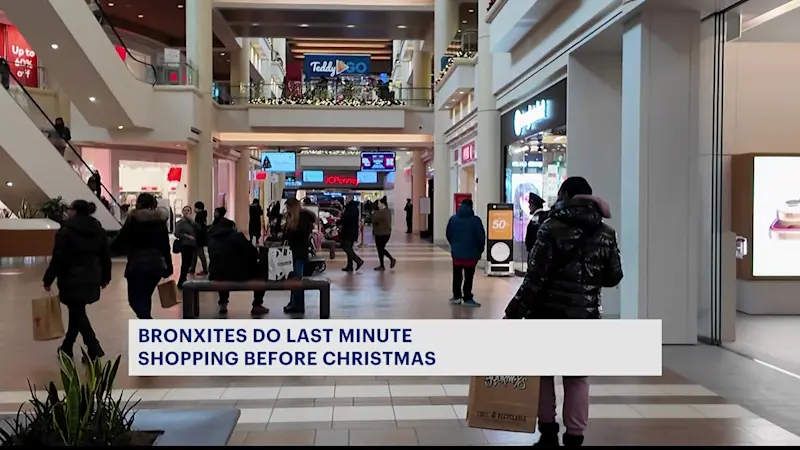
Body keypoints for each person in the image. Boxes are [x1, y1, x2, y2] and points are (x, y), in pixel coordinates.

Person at [505, 176, 623, 447]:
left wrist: (514, 313)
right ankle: (575, 437)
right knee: (577, 378)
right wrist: (588, 281)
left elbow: (535, 278)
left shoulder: (551, 227)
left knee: (544, 375)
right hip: (584, 317)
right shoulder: (606, 233)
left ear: (566, 195)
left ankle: (547, 435)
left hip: (546, 313)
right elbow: (614, 276)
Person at [43, 200, 110, 362]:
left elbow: (59, 258)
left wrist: (48, 279)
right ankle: (67, 347)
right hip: (92, 276)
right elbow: (105, 255)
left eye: (69, 209)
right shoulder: (98, 230)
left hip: (70, 278)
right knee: (77, 311)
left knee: (77, 312)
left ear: (74, 211)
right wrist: (106, 276)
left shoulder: (66, 232)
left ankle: (94, 347)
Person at [110, 193, 172, 319]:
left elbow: (120, 240)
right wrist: (169, 266)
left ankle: (147, 320)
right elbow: (165, 246)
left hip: (137, 265)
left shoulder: (133, 220)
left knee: (134, 300)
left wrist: (107, 250)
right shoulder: (160, 221)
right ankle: (146, 324)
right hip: (156, 265)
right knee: (145, 297)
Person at [207, 217, 269, 316]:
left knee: (222, 269)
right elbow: (252, 253)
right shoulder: (237, 236)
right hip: (237, 274)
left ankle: (223, 302)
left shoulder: (212, 238)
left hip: (215, 274)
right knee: (261, 273)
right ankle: (257, 304)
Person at [446, 199, 485, 307]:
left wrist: (454, 245)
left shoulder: (453, 219)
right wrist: (480, 250)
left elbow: (448, 234)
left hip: (457, 253)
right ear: (471, 207)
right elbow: (481, 237)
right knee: (469, 276)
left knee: (457, 275)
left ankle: (456, 296)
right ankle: (467, 297)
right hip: (471, 254)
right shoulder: (475, 220)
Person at [282, 198, 316, 314]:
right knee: (293, 279)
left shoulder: (302, 218)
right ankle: (293, 302)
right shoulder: (293, 218)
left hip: (299, 253)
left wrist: (290, 234)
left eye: (288, 208)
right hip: (293, 252)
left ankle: (298, 305)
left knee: (297, 279)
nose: (287, 210)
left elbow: (301, 234)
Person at [174, 206, 198, 289]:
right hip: (185, 244)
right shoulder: (180, 223)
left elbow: (199, 230)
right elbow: (176, 233)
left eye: (188, 210)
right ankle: (181, 281)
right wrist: (186, 236)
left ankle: (183, 279)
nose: (186, 212)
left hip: (193, 244)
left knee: (189, 262)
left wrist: (192, 221)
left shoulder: (192, 223)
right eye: (185, 210)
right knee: (185, 262)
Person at [371, 196, 396, 270]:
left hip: (381, 233)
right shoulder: (387, 211)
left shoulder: (381, 212)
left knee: (380, 248)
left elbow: (373, 219)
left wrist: (373, 213)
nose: (378, 205)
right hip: (385, 233)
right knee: (380, 249)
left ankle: (391, 259)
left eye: (379, 203)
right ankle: (382, 265)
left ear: (382, 204)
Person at [339, 198, 364, 272]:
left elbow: (345, 218)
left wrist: (339, 221)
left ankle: (358, 260)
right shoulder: (353, 208)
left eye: (346, 199)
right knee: (349, 248)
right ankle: (350, 266)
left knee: (346, 247)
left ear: (349, 199)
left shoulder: (351, 209)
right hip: (351, 231)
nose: (345, 200)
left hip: (348, 232)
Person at [191, 201, 209, 275]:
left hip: (199, 238)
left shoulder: (199, 216)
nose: (194, 209)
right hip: (200, 237)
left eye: (195, 207)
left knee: (200, 253)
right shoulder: (203, 215)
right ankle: (192, 268)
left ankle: (205, 269)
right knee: (195, 253)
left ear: (199, 208)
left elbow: (198, 227)